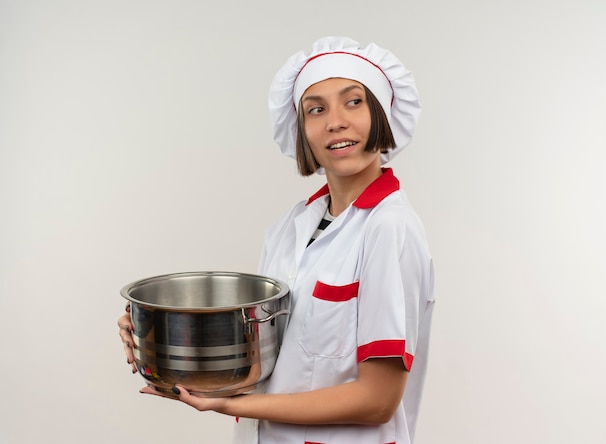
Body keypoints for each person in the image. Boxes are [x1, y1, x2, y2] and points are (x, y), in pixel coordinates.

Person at [118, 36, 435, 444]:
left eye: (353, 101)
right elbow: (267, 358)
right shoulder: (292, 226)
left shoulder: (390, 228)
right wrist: (157, 334)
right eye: (315, 109)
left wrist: (228, 404)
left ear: (382, 114)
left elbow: (377, 400)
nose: (335, 121)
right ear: (302, 130)